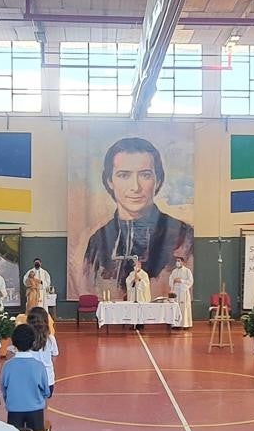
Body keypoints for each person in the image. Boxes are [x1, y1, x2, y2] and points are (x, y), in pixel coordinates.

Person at [82, 137, 193, 294]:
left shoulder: (183, 237)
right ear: (109, 181)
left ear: (158, 180)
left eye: (145, 175)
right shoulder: (97, 242)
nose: (135, 187)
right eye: (124, 175)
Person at [168, 256, 194, 328]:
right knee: (176, 307)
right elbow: (170, 280)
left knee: (184, 307)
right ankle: (176, 324)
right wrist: (174, 281)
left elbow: (190, 281)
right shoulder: (174, 271)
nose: (177, 262)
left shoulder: (187, 271)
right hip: (176, 292)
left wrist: (181, 281)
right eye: (176, 261)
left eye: (179, 261)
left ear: (182, 262)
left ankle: (184, 324)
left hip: (183, 292)